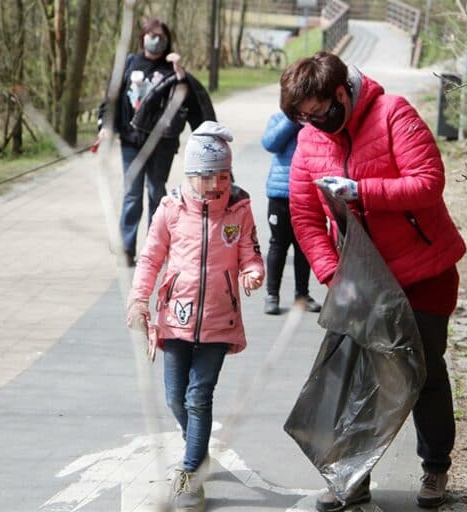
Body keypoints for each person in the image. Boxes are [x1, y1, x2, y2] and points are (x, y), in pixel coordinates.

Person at [279, 52, 467, 511]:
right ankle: (350, 476)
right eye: (304, 117)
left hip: (422, 272)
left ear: (341, 93)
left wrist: (362, 192)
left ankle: (435, 465)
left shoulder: (392, 113)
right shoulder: (309, 141)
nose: (315, 123)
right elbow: (304, 216)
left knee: (421, 372)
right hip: (360, 280)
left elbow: (428, 182)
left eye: (320, 112)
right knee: (354, 377)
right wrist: (331, 273)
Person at [126, 121, 264, 512]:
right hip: (175, 320)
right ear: (190, 175)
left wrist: (253, 272)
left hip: (220, 320)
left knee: (199, 397)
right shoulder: (170, 210)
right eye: (207, 176)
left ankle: (190, 473)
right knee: (175, 398)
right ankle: (197, 448)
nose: (216, 184)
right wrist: (138, 301)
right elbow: (150, 259)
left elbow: (250, 252)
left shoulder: (239, 210)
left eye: (223, 175)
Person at [97, 17, 216, 267]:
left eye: (161, 36)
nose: (156, 40)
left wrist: (180, 72)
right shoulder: (129, 64)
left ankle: (154, 250)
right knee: (132, 195)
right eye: (152, 35)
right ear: (143, 37)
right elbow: (112, 98)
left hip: (162, 144)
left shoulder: (172, 69)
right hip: (131, 142)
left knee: (156, 193)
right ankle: (126, 249)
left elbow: (190, 103)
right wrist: (105, 127)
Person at [261, 111, 322, 315]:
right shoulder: (279, 119)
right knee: (278, 244)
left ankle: (302, 294)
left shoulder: (317, 118)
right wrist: (291, 120)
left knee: (303, 246)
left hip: (306, 193)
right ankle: (272, 295)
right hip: (280, 193)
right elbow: (270, 143)